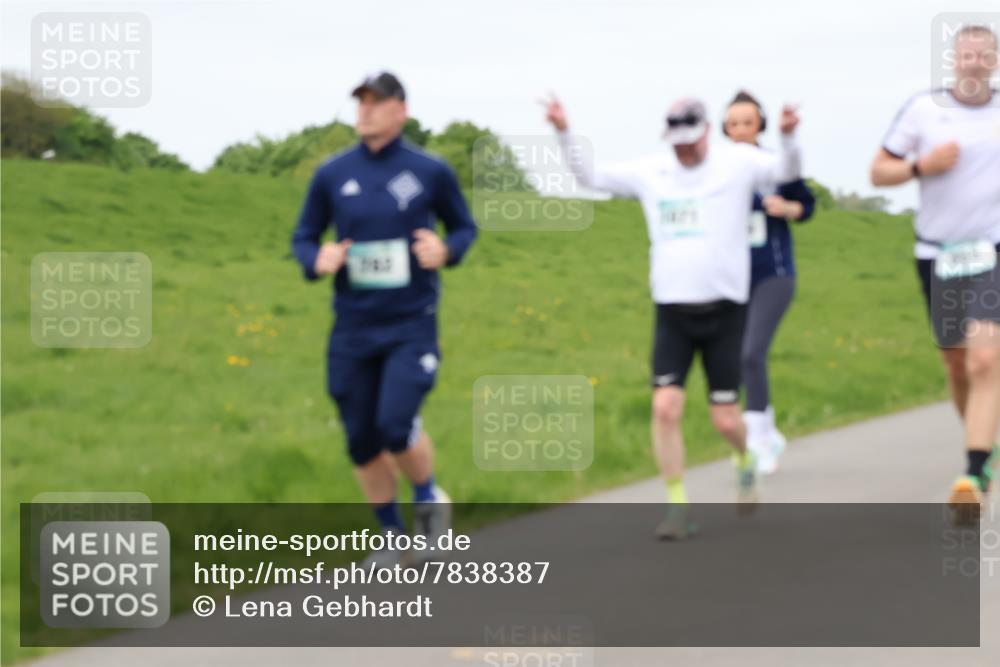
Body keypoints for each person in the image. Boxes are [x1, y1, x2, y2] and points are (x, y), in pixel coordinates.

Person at [543, 93, 803, 538]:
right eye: (676, 141)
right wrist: (563, 131)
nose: (684, 149)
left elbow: (787, 171)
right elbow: (589, 177)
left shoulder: (737, 164)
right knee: (665, 408)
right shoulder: (652, 172)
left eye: (691, 140)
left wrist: (789, 136)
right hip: (672, 311)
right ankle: (677, 506)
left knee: (725, 419)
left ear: (706, 132)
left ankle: (744, 458)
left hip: (725, 310)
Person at [292, 72, 478, 565]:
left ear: (401, 109)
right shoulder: (333, 174)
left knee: (395, 425)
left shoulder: (430, 171)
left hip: (410, 323)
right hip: (352, 327)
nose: (366, 111)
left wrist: (447, 250)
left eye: (376, 102)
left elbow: (464, 227)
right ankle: (391, 536)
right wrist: (316, 259)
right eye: (361, 102)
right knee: (360, 440)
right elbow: (304, 236)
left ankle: (428, 500)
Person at [870, 25, 1000, 524]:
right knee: (957, 364)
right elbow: (878, 171)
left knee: (985, 359)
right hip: (938, 254)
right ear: (953, 60)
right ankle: (983, 446)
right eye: (966, 54)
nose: (973, 62)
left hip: (992, 251)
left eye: (982, 55)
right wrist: (920, 166)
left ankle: (973, 473)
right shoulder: (923, 109)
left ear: (993, 61)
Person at [723, 91, 816, 474]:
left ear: (759, 125)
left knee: (751, 353)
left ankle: (758, 442)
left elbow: (807, 204)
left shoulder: (774, 165)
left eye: (748, 123)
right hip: (731, 277)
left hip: (774, 274)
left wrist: (788, 208)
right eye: (733, 124)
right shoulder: (717, 170)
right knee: (736, 358)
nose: (741, 130)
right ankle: (768, 430)